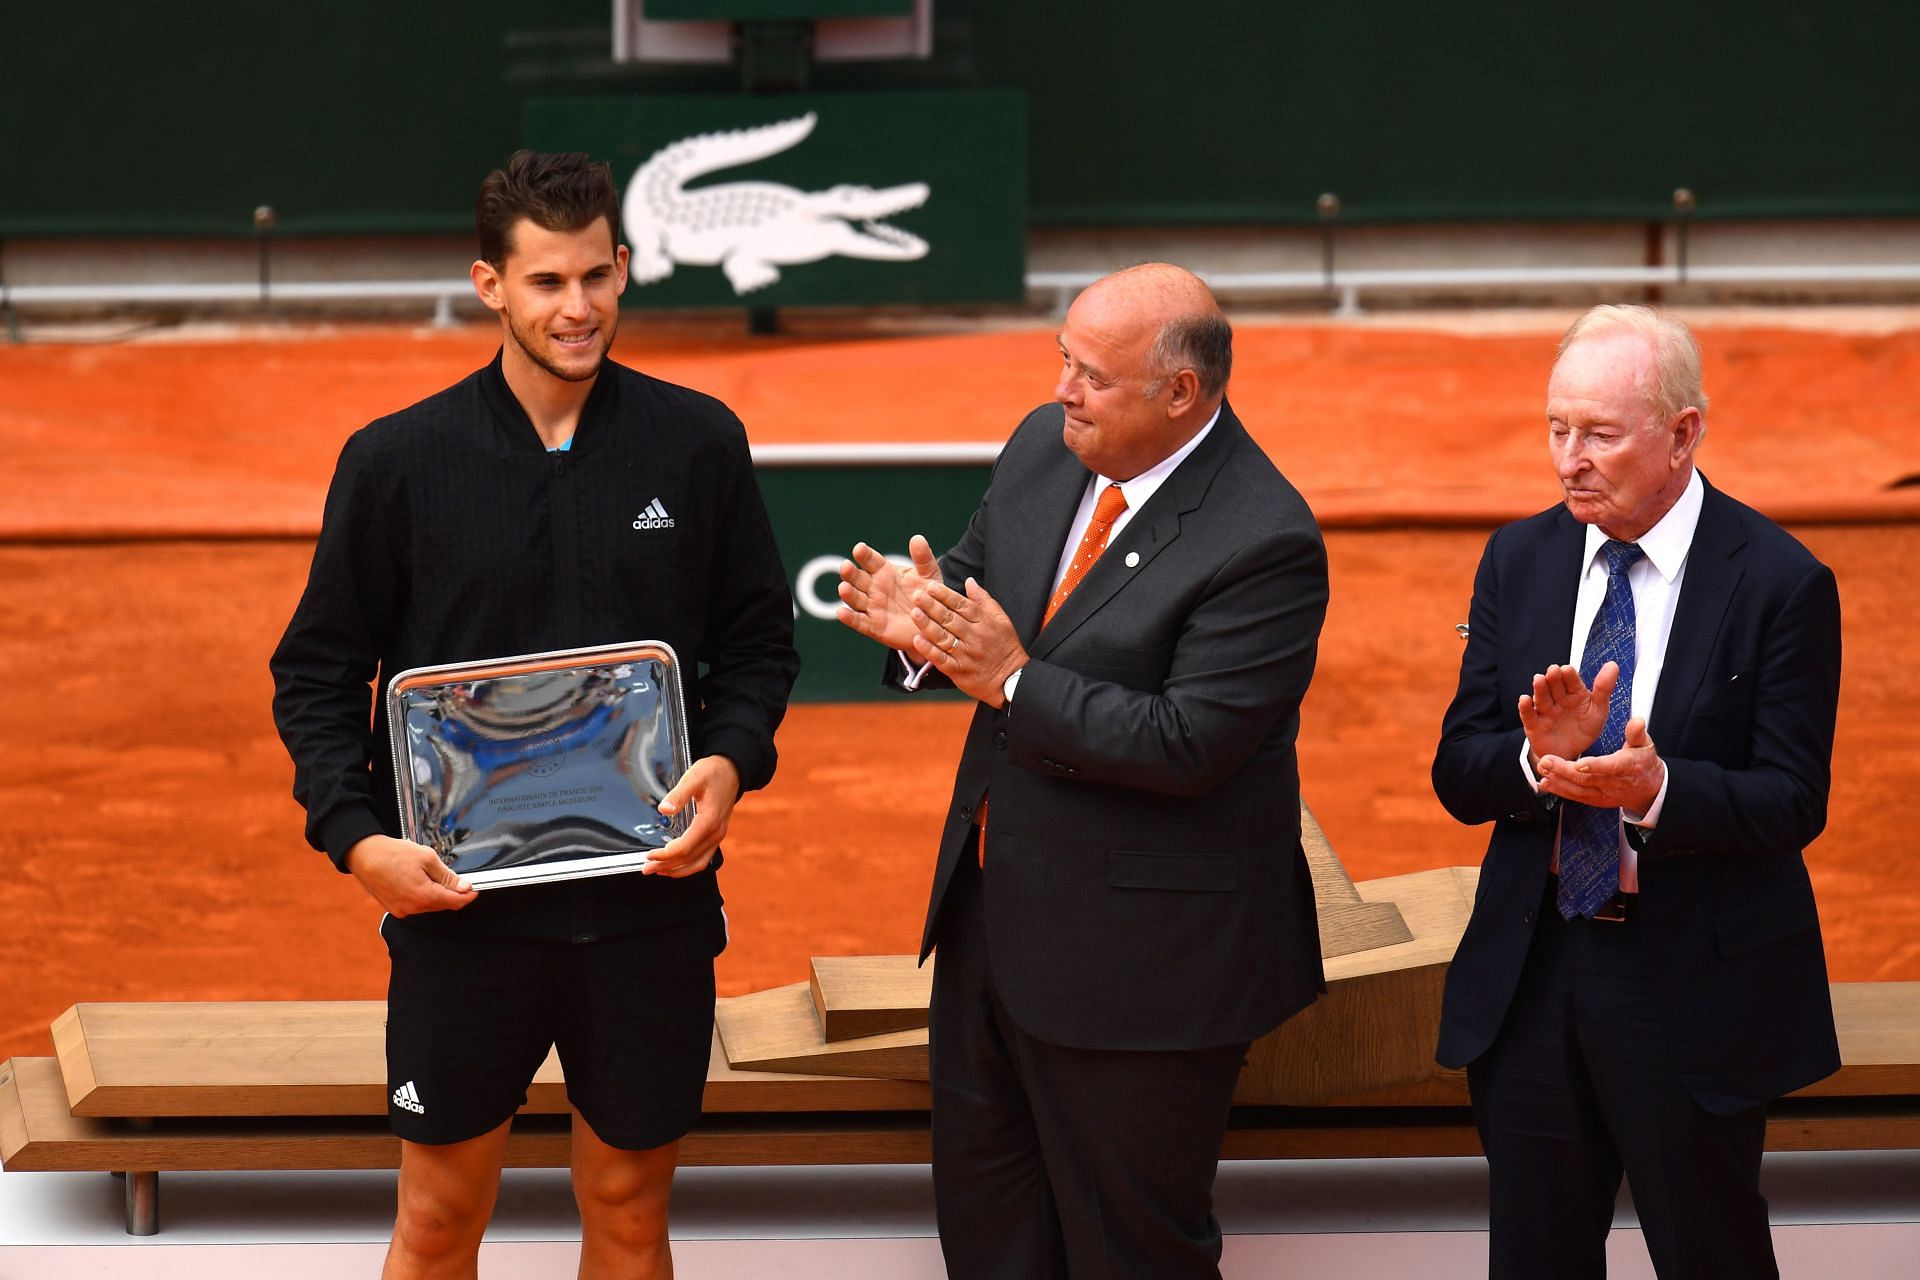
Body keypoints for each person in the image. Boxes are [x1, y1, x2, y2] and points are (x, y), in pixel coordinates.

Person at [269, 150, 798, 1279]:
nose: (579, 307)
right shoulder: (397, 461)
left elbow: (757, 642)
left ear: (623, 271)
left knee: (626, 1209)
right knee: (439, 1219)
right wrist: (357, 839)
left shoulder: (698, 442)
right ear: (489, 285)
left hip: (647, 912)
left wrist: (733, 763)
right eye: (548, 282)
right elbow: (317, 672)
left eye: (597, 276)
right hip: (464, 921)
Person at [836, 263, 1328, 1278]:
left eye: (1093, 375)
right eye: (1063, 359)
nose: (1064, 388)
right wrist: (920, 625)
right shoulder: (1041, 447)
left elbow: (1189, 741)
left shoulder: (1266, 539)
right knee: (990, 1242)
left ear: (1181, 393)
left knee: (1131, 1253)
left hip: (1145, 974)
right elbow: (978, 588)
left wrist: (1013, 681)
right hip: (992, 930)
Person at [1432, 304, 1841, 1278]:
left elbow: (1792, 799)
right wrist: (1540, 763)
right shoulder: (1518, 557)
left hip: (1691, 990)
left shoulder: (1782, 582)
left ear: (1684, 432)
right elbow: (1458, 767)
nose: (1569, 457)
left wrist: (1657, 788)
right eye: (1556, 427)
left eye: (1601, 434)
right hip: (1534, 981)